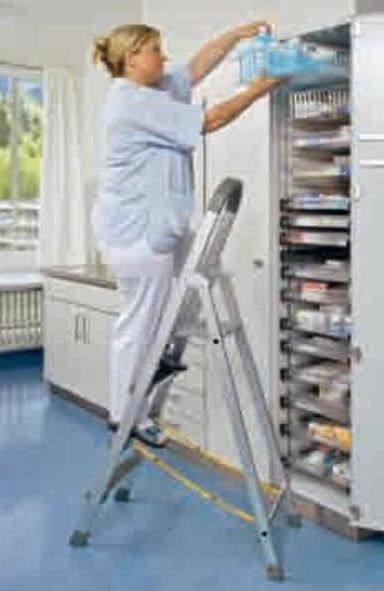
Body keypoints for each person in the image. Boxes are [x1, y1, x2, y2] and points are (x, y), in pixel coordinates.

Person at [91, 22, 286, 447]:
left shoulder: (157, 87)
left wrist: (235, 34)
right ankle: (124, 413)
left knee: (196, 281)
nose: (164, 57)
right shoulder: (132, 102)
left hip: (162, 225)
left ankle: (160, 357)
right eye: (155, 50)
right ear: (131, 58)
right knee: (139, 321)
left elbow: (196, 66)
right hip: (137, 233)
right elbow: (210, 120)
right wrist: (260, 88)